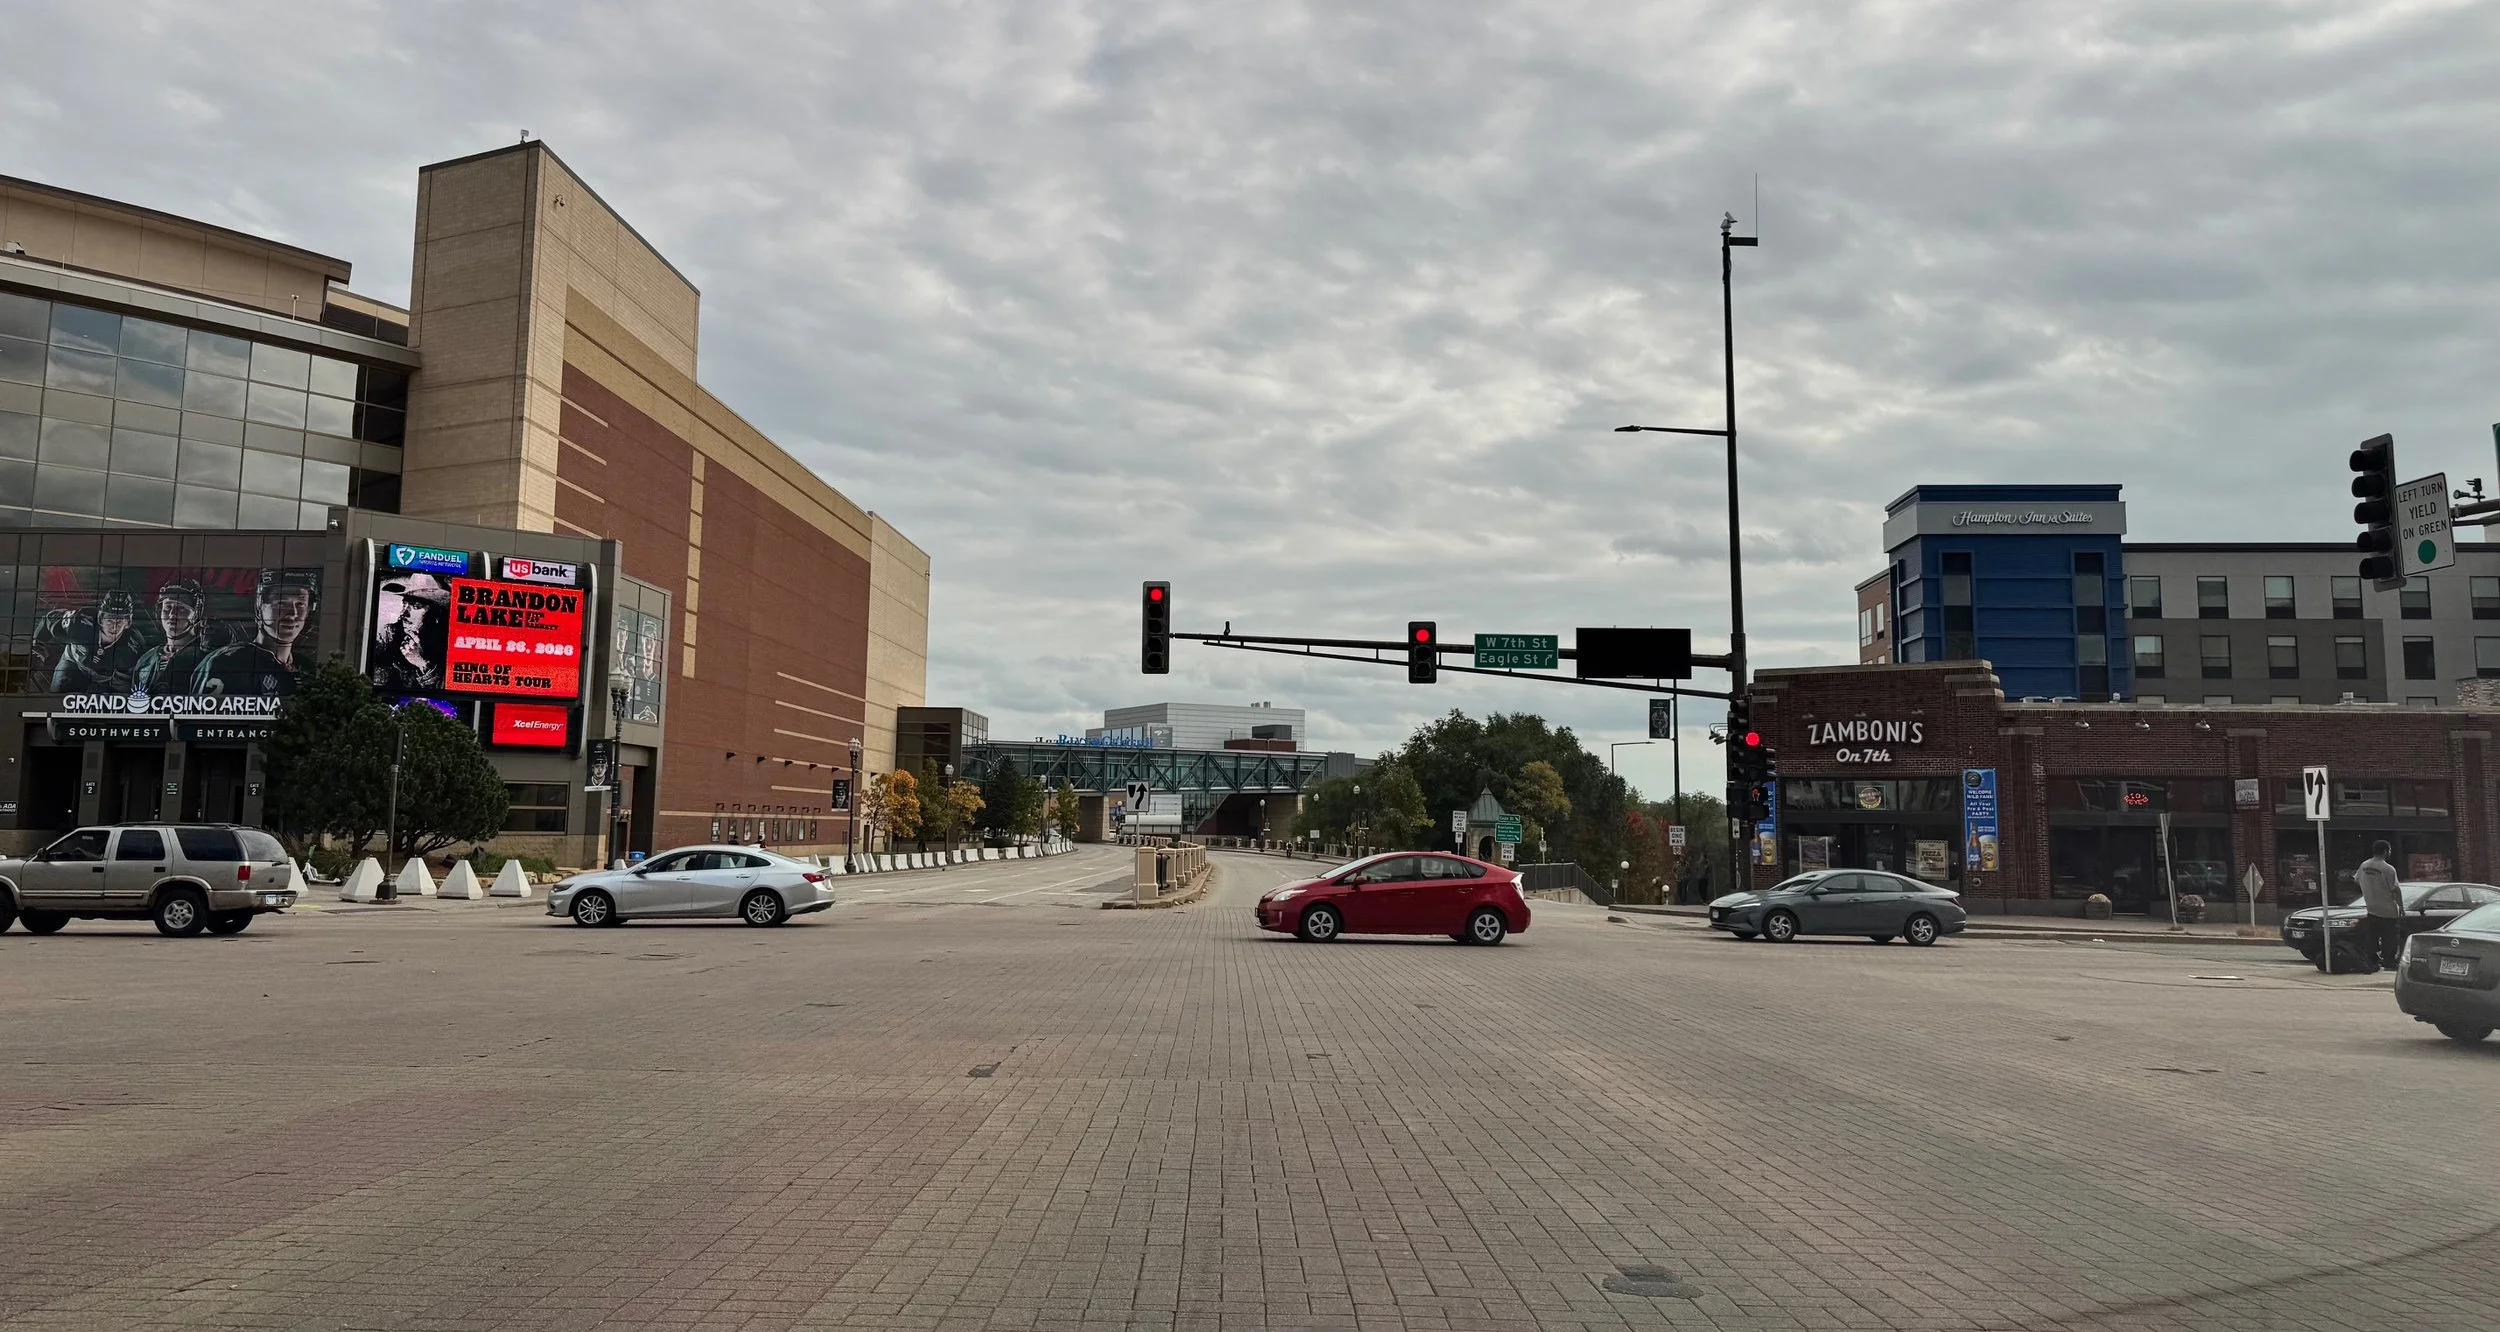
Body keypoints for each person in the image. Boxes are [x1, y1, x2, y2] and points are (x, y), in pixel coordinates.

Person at [193, 569, 318, 699]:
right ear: (260, 607)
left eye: (300, 604)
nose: (293, 613)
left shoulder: (307, 667)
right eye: (281, 603)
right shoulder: (227, 661)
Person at [39, 589, 147, 693]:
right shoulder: (79, 623)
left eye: (119, 621)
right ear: (100, 619)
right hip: (74, 663)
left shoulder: (135, 646)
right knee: (59, 698)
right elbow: (49, 619)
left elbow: (132, 683)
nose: (114, 627)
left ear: (128, 622)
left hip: (109, 679)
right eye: (109, 620)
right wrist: (37, 648)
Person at [370, 572, 451, 693]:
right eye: (405, 604)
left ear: (434, 614)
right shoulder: (387, 635)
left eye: (416, 607)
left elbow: (445, 689)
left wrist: (421, 663)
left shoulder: (446, 643)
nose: (403, 613)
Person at [133, 579, 214, 697]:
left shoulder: (206, 656)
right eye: (167, 607)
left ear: (195, 614)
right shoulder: (146, 660)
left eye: (181, 608)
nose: (172, 614)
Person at [2353, 840, 2405, 972]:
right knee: (2390, 937)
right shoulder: (2388, 868)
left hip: (2371, 908)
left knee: (2372, 936)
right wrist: (2401, 908)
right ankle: (2389, 961)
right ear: (2386, 851)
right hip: (2388, 910)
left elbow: (2356, 880)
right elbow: (2395, 890)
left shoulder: (2364, 865)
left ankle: (2372, 960)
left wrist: (2369, 891)